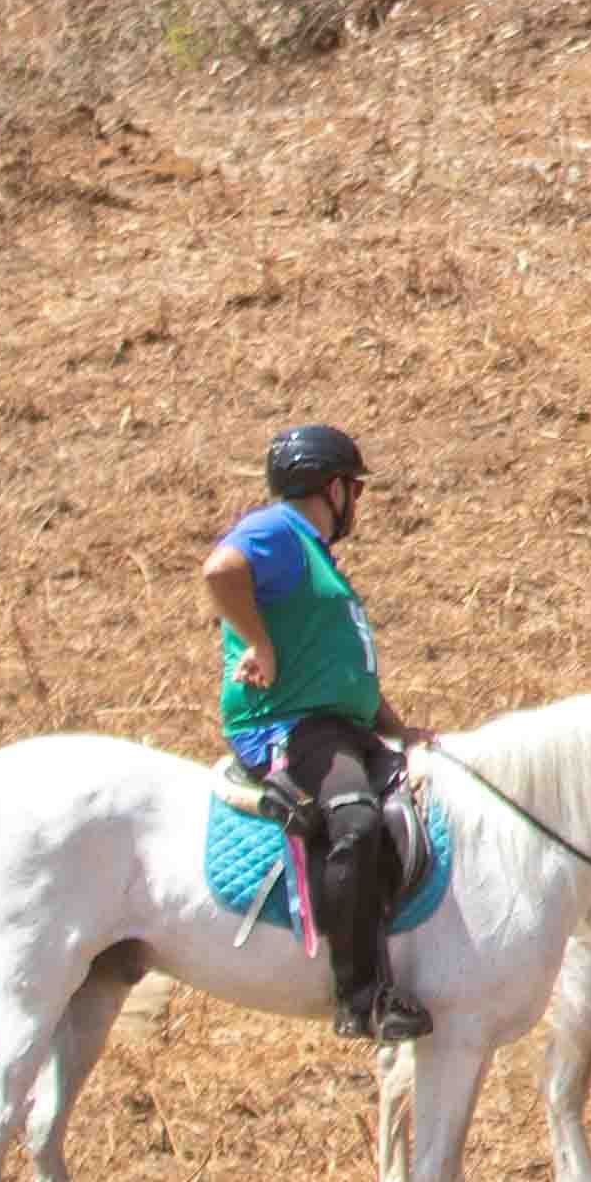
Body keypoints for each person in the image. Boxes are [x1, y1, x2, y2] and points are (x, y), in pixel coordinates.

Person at [207, 422, 423, 1044]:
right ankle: (362, 996)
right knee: (354, 818)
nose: (356, 503)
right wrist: (257, 643)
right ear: (334, 490)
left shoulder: (314, 558)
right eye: (354, 490)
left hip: (338, 727)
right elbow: (221, 570)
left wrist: (398, 730)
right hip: (288, 727)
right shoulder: (280, 530)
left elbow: (343, 668)